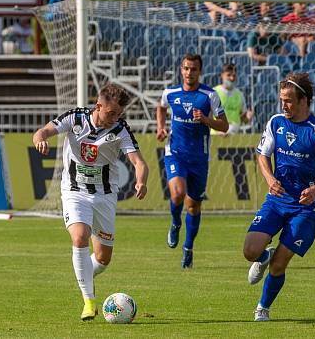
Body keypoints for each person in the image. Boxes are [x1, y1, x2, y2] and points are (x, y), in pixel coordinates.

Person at [32, 83, 149, 321]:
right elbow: (42, 131)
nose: (114, 117)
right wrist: (40, 140)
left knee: (103, 259)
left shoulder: (120, 129)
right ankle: (89, 301)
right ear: (98, 105)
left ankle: (83, 274)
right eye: (110, 112)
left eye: (118, 114)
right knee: (79, 236)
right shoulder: (75, 118)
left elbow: (139, 163)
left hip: (104, 196)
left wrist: (141, 181)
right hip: (74, 191)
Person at [243, 72, 315, 321]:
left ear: (304, 101)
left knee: (280, 264)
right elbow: (262, 155)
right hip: (277, 200)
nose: (284, 105)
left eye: (288, 100)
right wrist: (269, 179)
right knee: (250, 251)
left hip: (306, 208)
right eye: (282, 100)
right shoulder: (276, 122)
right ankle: (263, 255)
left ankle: (262, 309)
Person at [157, 54, 229, 269]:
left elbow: (224, 126)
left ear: (200, 71)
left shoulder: (209, 96)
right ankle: (175, 223)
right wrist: (160, 127)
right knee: (177, 194)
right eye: (186, 68)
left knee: (194, 206)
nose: (189, 73)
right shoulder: (170, 93)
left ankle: (188, 248)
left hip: (199, 157)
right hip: (175, 153)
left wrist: (207, 120)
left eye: (194, 69)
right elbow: (160, 107)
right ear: (181, 69)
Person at [213, 63, 253, 135]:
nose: (232, 78)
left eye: (234, 75)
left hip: (234, 136)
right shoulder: (214, 93)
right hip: (216, 135)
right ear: (222, 75)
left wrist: (248, 117)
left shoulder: (239, 94)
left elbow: (244, 119)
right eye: (228, 75)